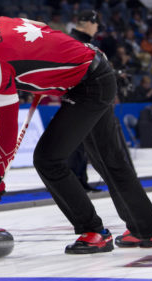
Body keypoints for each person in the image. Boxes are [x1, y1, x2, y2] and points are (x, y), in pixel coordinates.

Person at [0, 17, 152, 254]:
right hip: (95, 69)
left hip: (88, 85)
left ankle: (93, 231)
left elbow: (7, 125)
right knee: (109, 159)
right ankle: (144, 229)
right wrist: (49, 71)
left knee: (48, 159)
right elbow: (43, 29)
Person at [67, 10, 103, 193]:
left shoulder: (85, 42)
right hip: (77, 99)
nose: (97, 29)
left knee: (82, 145)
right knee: (75, 145)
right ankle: (75, 183)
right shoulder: (75, 41)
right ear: (89, 23)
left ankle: (81, 180)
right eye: (96, 25)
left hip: (84, 98)